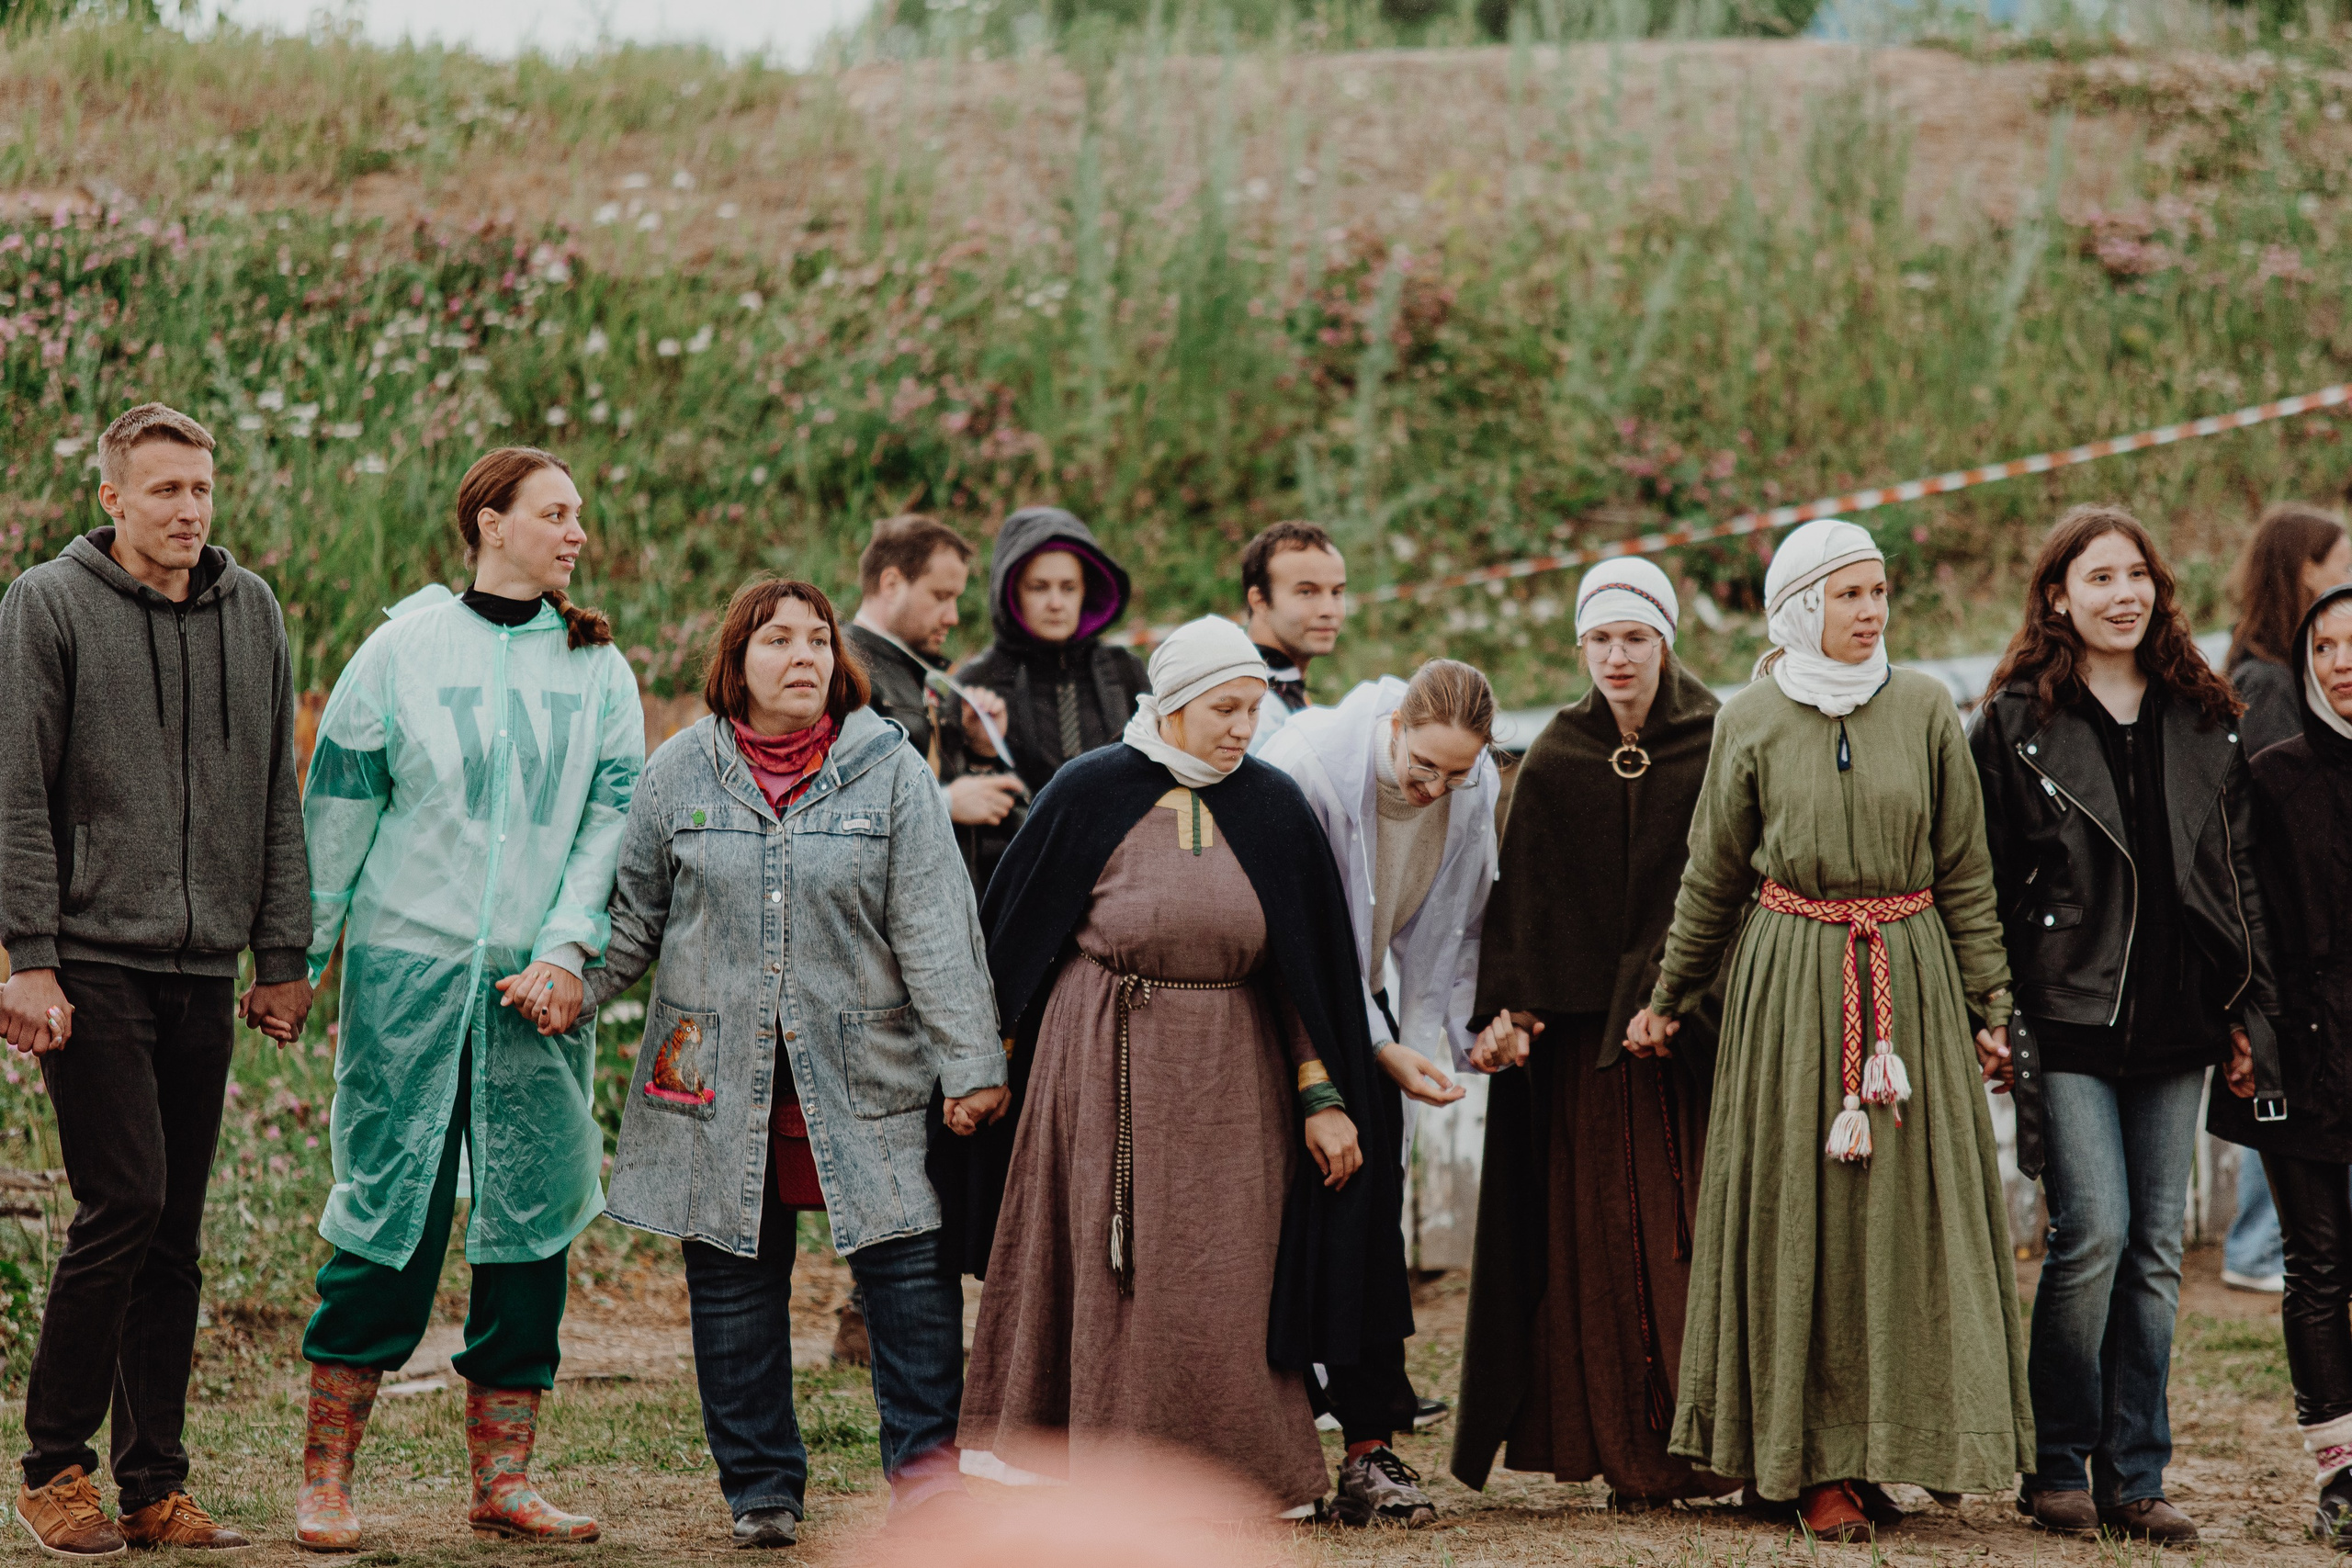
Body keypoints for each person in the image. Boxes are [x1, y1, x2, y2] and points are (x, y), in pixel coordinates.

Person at [945, 617, 1412, 1519]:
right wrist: (987, 1064)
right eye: (1224, 709)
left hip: (1235, 1069)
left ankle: (1235, 1471)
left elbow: (1303, 974)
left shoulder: (1272, 805)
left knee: (1228, 1269)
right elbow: (1016, 942)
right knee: (1107, 1263)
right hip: (1100, 1060)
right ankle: (1087, 1463)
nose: (1243, 725)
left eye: (1252, 708)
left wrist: (1322, 1096)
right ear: (1174, 704)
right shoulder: (1089, 791)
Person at [1628, 518, 2030, 1540]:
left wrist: (1993, 1005)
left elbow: (1966, 868)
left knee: (1905, 1224)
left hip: (1911, 979)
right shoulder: (1751, 718)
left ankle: (1890, 1442)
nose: (1870, 612)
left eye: (1879, 592)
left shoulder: (1929, 706)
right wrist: (1669, 997)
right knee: (1799, 1219)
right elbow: (1713, 872)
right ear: (1803, 608)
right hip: (1791, 988)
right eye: (1848, 595)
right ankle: (1808, 1462)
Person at [590, 577, 1008, 1546]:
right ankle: (762, 1488)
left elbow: (937, 929)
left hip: (865, 1071)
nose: (803, 657)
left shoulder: (888, 771)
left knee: (907, 1269)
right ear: (734, 664)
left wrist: (970, 1062)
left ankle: (927, 1478)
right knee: (733, 1279)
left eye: (817, 640)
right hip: (716, 1078)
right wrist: (567, 984)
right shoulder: (678, 774)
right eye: (776, 641)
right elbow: (631, 923)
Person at [289, 447, 645, 1550]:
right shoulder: (402, 649)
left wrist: (567, 952)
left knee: (530, 1222)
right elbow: (336, 812)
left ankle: (503, 1483)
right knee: (388, 1209)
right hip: (408, 973)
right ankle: (326, 1480)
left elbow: (609, 827)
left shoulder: (599, 671)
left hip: (535, 988)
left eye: (580, 515)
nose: (576, 532)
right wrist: (296, 962)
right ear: (490, 523)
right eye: (554, 513)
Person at [0, 402, 311, 1556]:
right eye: (164, 490)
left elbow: (276, 789)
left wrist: (281, 954)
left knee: (173, 1227)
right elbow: (16, 792)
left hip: (204, 964)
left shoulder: (255, 610)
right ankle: (51, 1469)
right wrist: (28, 956)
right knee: (123, 1200)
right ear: (112, 500)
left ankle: (153, 1487)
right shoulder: (47, 605)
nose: (188, 510)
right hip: (89, 961)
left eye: (202, 489)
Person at [1972, 504, 2276, 1545]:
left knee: (2153, 1248)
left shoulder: (2204, 715)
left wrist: (2245, 1011)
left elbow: (2234, 879)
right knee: (2090, 1233)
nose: (2122, 594)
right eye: (2098, 577)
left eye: (2136, 575)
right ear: (2058, 596)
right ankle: (2055, 1464)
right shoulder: (2016, 721)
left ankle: (2134, 1475)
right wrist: (1990, 1009)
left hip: (2177, 1019)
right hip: (2065, 1011)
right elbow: (1982, 881)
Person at [1451, 557, 1736, 1511]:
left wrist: (1673, 991)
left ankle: (1720, 1444)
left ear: (1665, 641)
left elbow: (1728, 881)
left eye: (1636, 638)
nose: (1618, 657)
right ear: (1581, 647)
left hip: (1695, 1041)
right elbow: (1525, 900)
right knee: (1606, 1239)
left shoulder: (1717, 740)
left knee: (1698, 1232)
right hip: (1585, 1054)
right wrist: (1515, 1007)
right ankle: (1631, 1450)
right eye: (1601, 640)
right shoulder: (1558, 758)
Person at [1259, 657, 1515, 1527]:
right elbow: (1299, 934)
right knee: (1293, 1214)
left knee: (1371, 1213)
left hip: (1361, 999)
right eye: (1425, 766)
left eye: (1458, 771)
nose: (1437, 786)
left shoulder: (1468, 785)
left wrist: (1442, 1037)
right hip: (1282, 997)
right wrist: (1375, 1047)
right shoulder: (1308, 764)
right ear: (1396, 723)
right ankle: (1268, 1435)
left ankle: (1370, 1442)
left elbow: (1455, 922)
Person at [2209, 583, 2352, 1548]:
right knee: (2318, 1261)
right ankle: (2343, 1473)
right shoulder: (2274, 775)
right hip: (2299, 1054)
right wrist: (2249, 1031)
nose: (2344, 661)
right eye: (2327, 645)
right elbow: (2243, 923)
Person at [2219, 503, 2349, 1294]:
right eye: (2339, 559)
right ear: (2303, 570)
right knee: (2293, 1102)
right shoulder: (2268, 684)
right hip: (2295, 952)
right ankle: (2256, 1248)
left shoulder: (2268, 666)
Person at [953, 507, 1148, 887]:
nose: (1056, 603)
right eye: (1039, 587)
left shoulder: (1125, 672)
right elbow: (959, 807)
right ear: (1011, 592)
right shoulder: (978, 682)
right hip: (1019, 883)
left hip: (1122, 880)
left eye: (1068, 587)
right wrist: (981, 751)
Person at [846, 514, 1028, 878]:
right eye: (942, 597)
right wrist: (945, 804)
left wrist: (979, 750)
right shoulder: (844, 671)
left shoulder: (913, 671)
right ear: (892, 584)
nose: (953, 617)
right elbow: (835, 807)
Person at [1240, 521, 1348, 755]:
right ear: (1260, 601)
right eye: (1306, 592)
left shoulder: (1282, 686)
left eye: (1337, 592)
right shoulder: (1251, 709)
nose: (1329, 610)